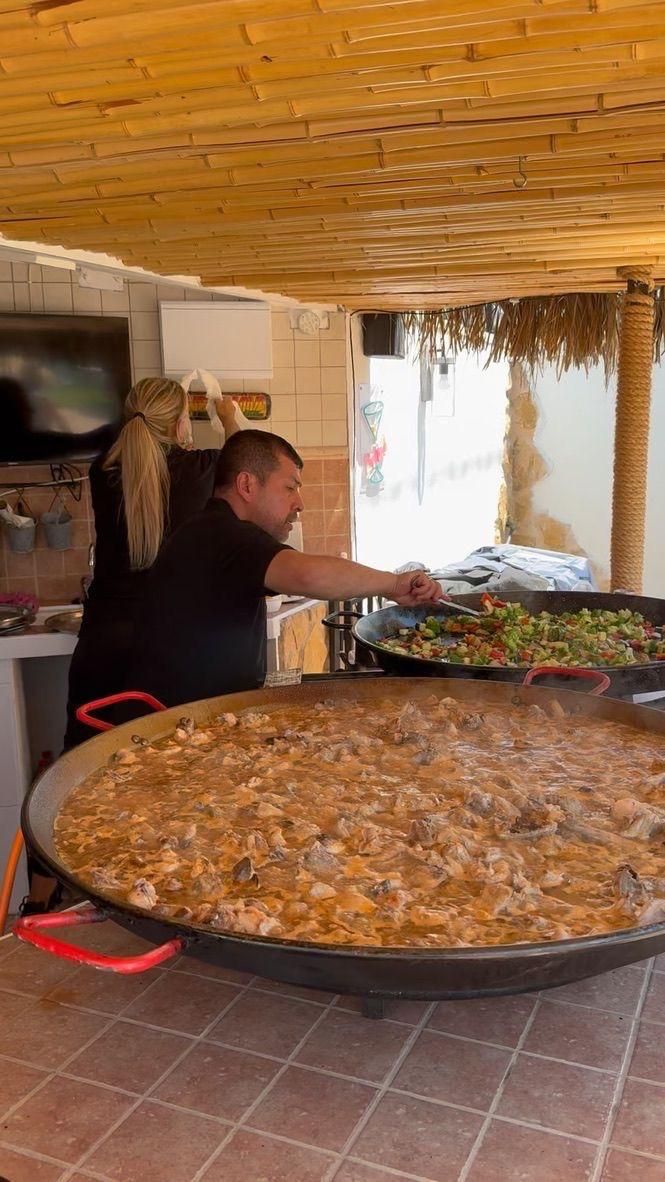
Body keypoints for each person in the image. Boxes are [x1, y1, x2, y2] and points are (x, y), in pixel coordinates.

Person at [23, 377, 239, 916]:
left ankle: (45, 896)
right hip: (165, 648)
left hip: (104, 643)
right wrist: (224, 413)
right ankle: (149, 893)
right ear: (179, 423)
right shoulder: (200, 467)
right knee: (166, 769)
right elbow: (248, 459)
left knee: (77, 765)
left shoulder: (104, 470)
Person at [128, 430, 442, 709]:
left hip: (201, 716)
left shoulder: (209, 529)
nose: (300, 503)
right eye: (290, 488)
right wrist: (394, 584)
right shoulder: (224, 535)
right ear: (247, 485)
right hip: (180, 726)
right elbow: (308, 575)